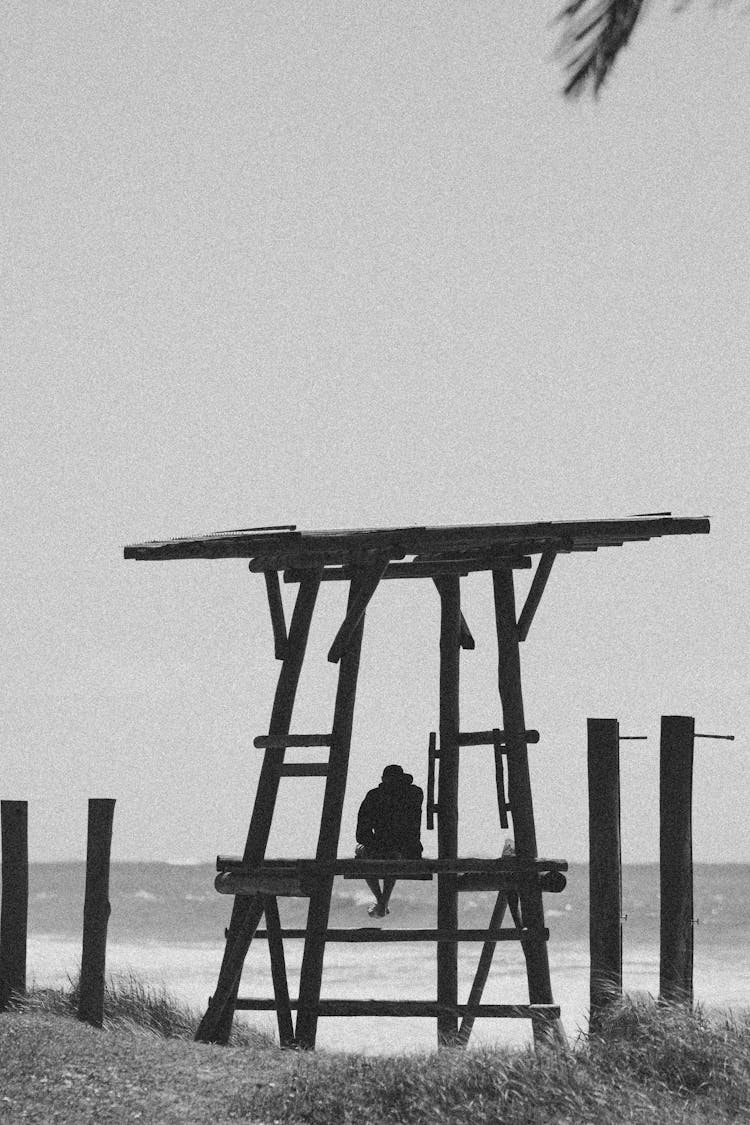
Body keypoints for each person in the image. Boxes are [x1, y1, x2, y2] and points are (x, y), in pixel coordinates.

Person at [355, 764, 423, 917]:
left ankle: (381, 902)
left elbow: (362, 832)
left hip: (386, 847)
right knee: (392, 855)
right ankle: (382, 903)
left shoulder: (374, 796)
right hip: (410, 848)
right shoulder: (414, 793)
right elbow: (411, 827)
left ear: (383, 780)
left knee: (365, 853)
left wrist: (374, 844)